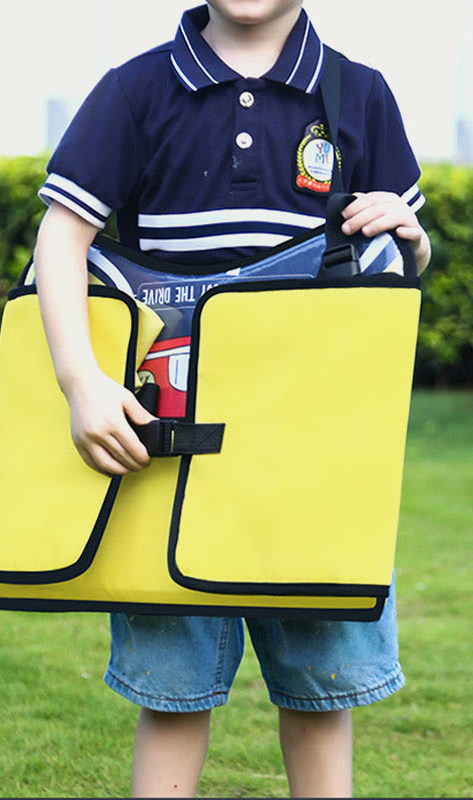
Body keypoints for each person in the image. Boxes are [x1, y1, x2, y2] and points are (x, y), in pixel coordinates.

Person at [32, 2, 431, 796]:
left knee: (322, 695)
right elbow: (60, 237)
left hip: (313, 462)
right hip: (169, 452)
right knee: (171, 697)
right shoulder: (136, 89)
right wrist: (82, 383)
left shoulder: (363, 94)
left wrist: (411, 241)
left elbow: (393, 279)